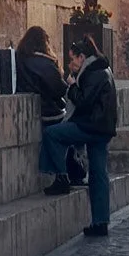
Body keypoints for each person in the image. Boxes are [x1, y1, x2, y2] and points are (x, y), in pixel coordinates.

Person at [40, 36, 118, 236]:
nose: (70, 64)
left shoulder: (93, 73)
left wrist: (72, 86)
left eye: (73, 59)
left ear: (83, 57)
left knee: (52, 134)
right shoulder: (102, 69)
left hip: (91, 127)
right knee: (99, 174)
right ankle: (100, 222)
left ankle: (61, 176)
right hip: (103, 128)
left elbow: (84, 102)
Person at [16, 26, 85, 185]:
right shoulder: (44, 62)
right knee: (62, 137)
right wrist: (69, 85)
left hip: (40, 108)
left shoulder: (21, 59)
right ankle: (66, 175)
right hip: (51, 110)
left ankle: (65, 175)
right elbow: (57, 88)